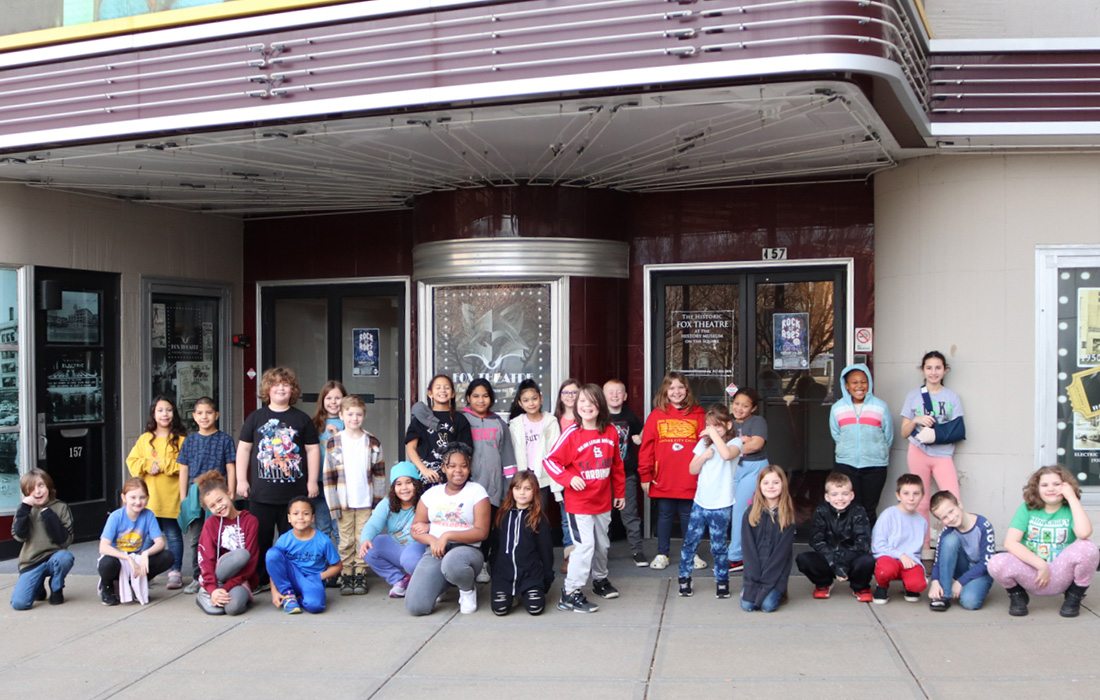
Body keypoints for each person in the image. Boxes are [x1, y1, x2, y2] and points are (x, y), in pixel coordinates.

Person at [236, 367, 321, 591]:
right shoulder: (256, 417)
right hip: (261, 494)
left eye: (286, 384)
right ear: (267, 389)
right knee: (260, 541)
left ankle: (290, 580)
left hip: (294, 496)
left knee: (293, 541)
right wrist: (241, 481)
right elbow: (244, 450)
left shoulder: (301, 419)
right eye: (276, 384)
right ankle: (260, 580)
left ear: (292, 390)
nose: (281, 388)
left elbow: (312, 451)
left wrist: (312, 481)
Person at [544, 383, 626, 613]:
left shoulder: (610, 431)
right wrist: (569, 478)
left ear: (600, 405)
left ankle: (600, 580)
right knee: (584, 546)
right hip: (579, 503)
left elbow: (617, 465)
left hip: (602, 501)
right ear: (576, 405)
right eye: (582, 402)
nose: (587, 406)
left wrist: (619, 492)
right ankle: (571, 592)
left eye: (591, 402)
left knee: (602, 544)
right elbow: (550, 461)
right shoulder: (572, 433)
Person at [988, 466, 1099, 617]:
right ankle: (1017, 595)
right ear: (1037, 489)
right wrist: (1040, 564)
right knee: (996, 562)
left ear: (1066, 486)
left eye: (1056, 484)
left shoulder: (1070, 509)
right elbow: (1010, 542)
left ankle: (1074, 596)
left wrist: (1072, 498)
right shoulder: (1027, 509)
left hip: (1061, 573)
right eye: (1045, 485)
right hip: (1033, 572)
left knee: (1088, 548)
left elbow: (1084, 533)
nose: (1051, 489)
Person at [406, 444, 490, 615]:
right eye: (452, 466)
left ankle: (467, 590)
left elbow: (482, 532)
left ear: (470, 466)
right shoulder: (431, 494)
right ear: (443, 468)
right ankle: (441, 584)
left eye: (463, 466)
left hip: (467, 551)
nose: (458, 471)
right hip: (436, 550)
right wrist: (432, 540)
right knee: (416, 607)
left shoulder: (477, 492)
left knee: (453, 562)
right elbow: (415, 529)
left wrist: (447, 535)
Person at [639, 372, 705, 571]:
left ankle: (691, 552)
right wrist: (645, 474)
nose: (676, 392)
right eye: (672, 388)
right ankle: (662, 553)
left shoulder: (699, 414)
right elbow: (647, 448)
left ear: (687, 390)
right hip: (664, 477)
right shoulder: (657, 415)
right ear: (665, 392)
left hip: (689, 477)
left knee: (688, 516)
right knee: (665, 515)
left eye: (680, 387)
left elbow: (706, 445)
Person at [899, 351, 964, 546]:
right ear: (923, 370)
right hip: (918, 452)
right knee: (920, 501)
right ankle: (923, 547)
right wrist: (916, 420)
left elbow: (957, 429)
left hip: (943, 454)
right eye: (929, 368)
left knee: (952, 500)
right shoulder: (913, 396)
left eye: (938, 368)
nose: (933, 372)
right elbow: (904, 432)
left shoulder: (952, 396)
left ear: (945, 370)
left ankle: (951, 545)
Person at [678, 404, 741, 599]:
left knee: (719, 545)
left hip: (722, 503)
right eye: (709, 426)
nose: (712, 429)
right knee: (690, 542)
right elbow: (692, 469)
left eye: (718, 426)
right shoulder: (704, 444)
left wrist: (713, 436)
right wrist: (704, 455)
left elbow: (726, 454)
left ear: (728, 425)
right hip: (701, 501)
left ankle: (722, 581)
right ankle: (684, 578)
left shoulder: (736, 442)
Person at [323, 394, 383, 596]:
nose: (354, 418)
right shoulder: (334, 443)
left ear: (363, 416)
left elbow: (379, 474)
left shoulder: (372, 441)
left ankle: (360, 573)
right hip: (343, 501)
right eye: (350, 414)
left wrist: (378, 502)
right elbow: (329, 476)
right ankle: (346, 573)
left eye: (358, 414)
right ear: (341, 415)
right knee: (346, 538)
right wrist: (333, 504)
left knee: (362, 538)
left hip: (366, 500)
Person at [126, 395, 187, 589]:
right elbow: (132, 461)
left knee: (173, 535)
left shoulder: (181, 440)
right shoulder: (145, 439)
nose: (165, 414)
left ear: (174, 413)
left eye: (168, 410)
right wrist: (146, 464)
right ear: (153, 413)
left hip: (171, 496)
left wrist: (163, 465)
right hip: (149, 498)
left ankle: (175, 571)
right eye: (160, 410)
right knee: (147, 536)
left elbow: (184, 465)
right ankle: (144, 571)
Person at [177, 396, 236, 594]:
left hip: (217, 491)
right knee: (196, 537)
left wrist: (231, 491)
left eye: (209, 413)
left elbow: (230, 467)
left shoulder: (225, 439)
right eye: (200, 413)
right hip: (195, 492)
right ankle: (198, 576)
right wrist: (183, 495)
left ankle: (219, 576)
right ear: (194, 416)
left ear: (216, 415)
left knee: (218, 535)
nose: (204, 417)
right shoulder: (190, 440)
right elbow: (183, 469)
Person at [462, 378, 516, 582]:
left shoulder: (499, 423)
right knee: (468, 526)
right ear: (468, 397)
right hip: (469, 485)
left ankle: (485, 563)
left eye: (485, 396)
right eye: (475, 396)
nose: (480, 400)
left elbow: (508, 457)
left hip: (493, 488)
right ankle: (469, 564)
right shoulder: (462, 420)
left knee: (491, 528)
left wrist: (509, 487)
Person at [795, 471, 875, 602]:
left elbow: (863, 543)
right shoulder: (821, 511)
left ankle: (860, 587)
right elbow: (816, 540)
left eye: (845, 494)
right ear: (827, 497)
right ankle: (823, 583)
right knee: (803, 559)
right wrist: (835, 565)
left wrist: (843, 564)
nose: (840, 498)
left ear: (852, 495)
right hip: (829, 559)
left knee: (867, 560)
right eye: (835, 494)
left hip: (851, 559)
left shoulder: (858, 512)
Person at [829, 363, 893, 525]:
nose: (859, 386)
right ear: (847, 386)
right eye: (854, 382)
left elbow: (888, 435)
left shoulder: (880, 406)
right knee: (849, 507)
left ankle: (870, 546)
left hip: (875, 465)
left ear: (869, 383)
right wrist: (847, 450)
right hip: (846, 464)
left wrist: (878, 451)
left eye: (863, 381)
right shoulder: (837, 408)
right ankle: (851, 546)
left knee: (869, 508)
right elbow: (836, 434)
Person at [508, 379, 564, 557]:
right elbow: (514, 451)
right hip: (524, 478)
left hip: (544, 478)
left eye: (534, 398)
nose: (531, 403)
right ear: (520, 403)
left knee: (540, 516)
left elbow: (555, 450)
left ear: (541, 399)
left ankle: (541, 554)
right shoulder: (516, 423)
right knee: (522, 514)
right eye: (526, 400)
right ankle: (523, 552)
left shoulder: (550, 421)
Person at [98, 478, 174, 606]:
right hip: (118, 558)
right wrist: (126, 558)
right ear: (124, 497)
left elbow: (160, 542)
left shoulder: (148, 515)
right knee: (107, 564)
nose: (138, 502)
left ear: (148, 498)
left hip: (137, 558)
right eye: (133, 497)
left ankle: (136, 582)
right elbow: (103, 547)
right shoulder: (116, 516)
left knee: (168, 556)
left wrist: (145, 554)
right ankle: (107, 587)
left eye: (142, 497)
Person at [194, 471, 259, 616]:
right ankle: (206, 591)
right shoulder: (211, 523)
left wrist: (226, 587)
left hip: (240, 579)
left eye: (220, 500)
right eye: (212, 506)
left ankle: (218, 593)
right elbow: (206, 558)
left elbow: (251, 561)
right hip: (217, 575)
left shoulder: (250, 521)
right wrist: (213, 588)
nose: (218, 507)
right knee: (217, 610)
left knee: (233, 608)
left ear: (229, 494)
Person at [490, 471, 554, 616]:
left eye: (527, 488)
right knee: (499, 610)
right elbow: (495, 546)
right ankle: (511, 594)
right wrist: (494, 570)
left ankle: (524, 593)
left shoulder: (538, 518)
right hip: (504, 575)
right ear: (511, 490)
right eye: (517, 488)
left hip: (530, 575)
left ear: (534, 491)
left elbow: (546, 550)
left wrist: (547, 577)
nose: (522, 493)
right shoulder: (503, 515)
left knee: (535, 609)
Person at [359, 462, 426, 598]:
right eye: (399, 484)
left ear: (416, 484)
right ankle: (400, 580)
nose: (404, 488)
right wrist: (365, 539)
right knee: (370, 547)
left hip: (418, 547)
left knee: (409, 560)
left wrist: (429, 526)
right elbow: (373, 524)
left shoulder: (425, 500)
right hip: (397, 546)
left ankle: (425, 584)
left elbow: (440, 520)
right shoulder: (387, 503)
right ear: (393, 487)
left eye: (408, 482)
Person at [10, 469, 74, 610]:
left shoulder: (60, 507)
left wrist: (47, 513)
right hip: (31, 562)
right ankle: (38, 586)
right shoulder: (24, 509)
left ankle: (56, 587)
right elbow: (19, 536)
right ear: (27, 493)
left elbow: (65, 540)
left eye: (41, 486)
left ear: (48, 487)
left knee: (65, 557)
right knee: (20, 604)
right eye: (31, 489)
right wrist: (24, 510)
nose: (37, 492)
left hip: (54, 558)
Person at [266, 497, 342, 614]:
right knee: (272, 554)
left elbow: (337, 566)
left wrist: (319, 577)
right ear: (289, 518)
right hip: (290, 578)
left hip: (312, 580)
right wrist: (274, 592)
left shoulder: (323, 540)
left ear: (312, 518)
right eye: (295, 514)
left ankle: (300, 598)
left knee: (316, 606)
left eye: (306, 514)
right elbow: (274, 567)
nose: (300, 517)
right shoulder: (284, 539)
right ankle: (288, 595)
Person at [740, 465, 796, 612]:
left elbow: (781, 555)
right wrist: (754, 579)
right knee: (747, 606)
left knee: (767, 606)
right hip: (754, 572)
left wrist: (765, 582)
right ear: (759, 486)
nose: (771, 486)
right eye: (766, 483)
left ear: (783, 485)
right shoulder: (750, 513)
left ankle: (777, 592)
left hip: (775, 573)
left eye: (776, 483)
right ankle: (749, 590)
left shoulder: (787, 515)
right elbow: (748, 549)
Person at [927, 490, 995, 611]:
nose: (951, 518)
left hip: (981, 571)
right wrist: (935, 581)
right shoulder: (947, 531)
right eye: (945, 517)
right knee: (950, 540)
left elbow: (986, 563)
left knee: (970, 602)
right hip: (961, 567)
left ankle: (971, 587)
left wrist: (960, 582)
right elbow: (938, 560)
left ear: (959, 505)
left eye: (951, 511)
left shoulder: (983, 526)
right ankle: (945, 595)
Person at [604, 379, 646, 567]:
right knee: (603, 516)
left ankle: (637, 550)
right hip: (603, 475)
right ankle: (601, 552)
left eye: (619, 392)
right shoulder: (599, 416)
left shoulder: (630, 416)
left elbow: (643, 432)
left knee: (629, 513)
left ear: (625, 396)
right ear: (603, 396)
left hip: (626, 473)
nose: (614, 395)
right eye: (610, 392)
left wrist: (639, 438)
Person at [728, 387, 769, 573]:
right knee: (727, 511)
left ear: (752, 408)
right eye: (736, 404)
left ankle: (736, 557)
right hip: (731, 470)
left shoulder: (757, 421)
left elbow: (756, 445)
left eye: (745, 406)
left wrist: (731, 446)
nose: (739, 408)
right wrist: (742, 441)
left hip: (753, 469)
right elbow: (713, 442)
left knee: (740, 511)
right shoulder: (727, 421)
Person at [405, 373, 473, 484]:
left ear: (452, 393)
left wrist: (456, 471)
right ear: (430, 393)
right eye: (438, 387)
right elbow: (410, 447)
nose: (442, 390)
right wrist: (424, 470)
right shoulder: (421, 417)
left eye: (447, 388)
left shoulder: (459, 419)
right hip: (426, 477)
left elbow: (466, 451)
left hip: (452, 477)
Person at [871, 474, 928, 604]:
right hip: (889, 557)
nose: (911, 498)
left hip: (910, 561)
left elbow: (916, 551)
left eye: (916, 494)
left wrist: (920, 569)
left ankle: (909, 585)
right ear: (898, 495)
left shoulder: (922, 521)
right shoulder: (888, 515)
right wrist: (900, 555)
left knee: (919, 585)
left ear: (922, 496)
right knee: (885, 570)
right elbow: (877, 545)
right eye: (906, 493)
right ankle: (882, 586)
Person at [311, 380, 347, 550]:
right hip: (319, 481)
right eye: (329, 398)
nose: (333, 402)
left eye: (338, 398)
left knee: (339, 527)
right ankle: (327, 568)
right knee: (323, 527)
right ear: (322, 401)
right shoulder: (314, 424)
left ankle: (343, 568)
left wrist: (339, 435)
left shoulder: (349, 422)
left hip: (340, 483)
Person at [552, 378, 582, 567]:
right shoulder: (553, 420)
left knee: (584, 517)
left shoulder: (585, 417)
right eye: (566, 393)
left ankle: (585, 554)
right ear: (560, 397)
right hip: (562, 476)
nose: (570, 396)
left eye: (574, 392)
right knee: (566, 518)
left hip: (583, 474)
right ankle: (569, 555)